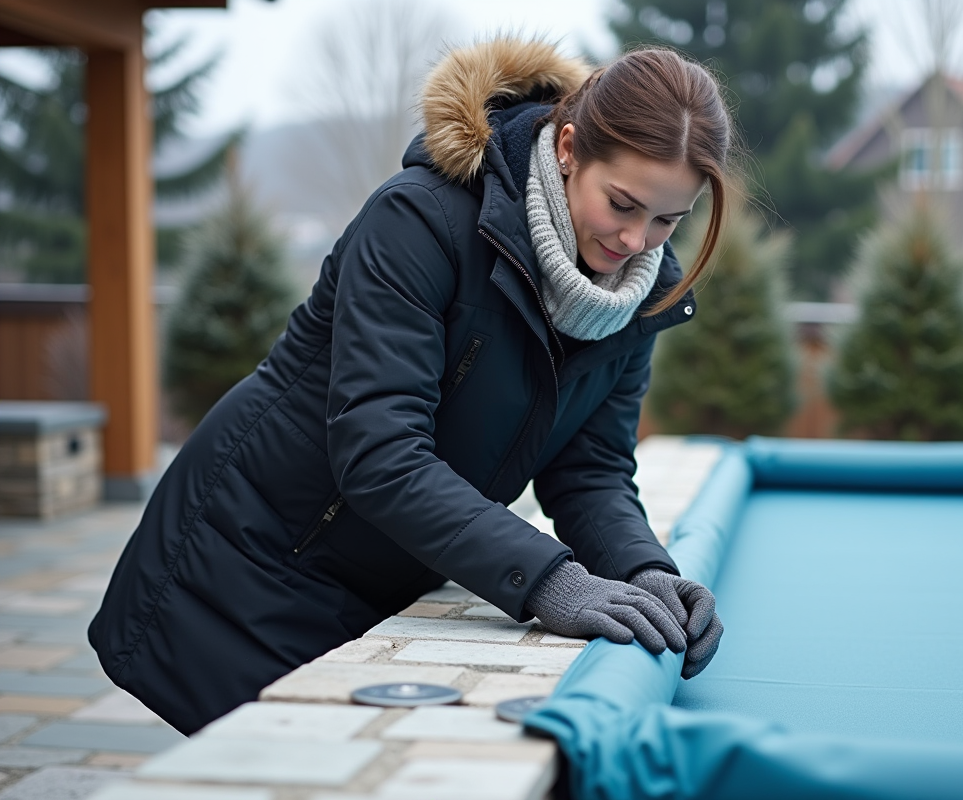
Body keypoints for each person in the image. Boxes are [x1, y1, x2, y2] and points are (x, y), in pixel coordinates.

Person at [89, 38, 732, 735]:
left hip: (385, 574)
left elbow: (590, 470)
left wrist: (642, 571)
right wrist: (550, 579)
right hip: (249, 558)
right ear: (570, 148)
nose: (637, 241)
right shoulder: (420, 220)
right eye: (623, 204)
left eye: (668, 219)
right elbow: (380, 451)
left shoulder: (633, 296)